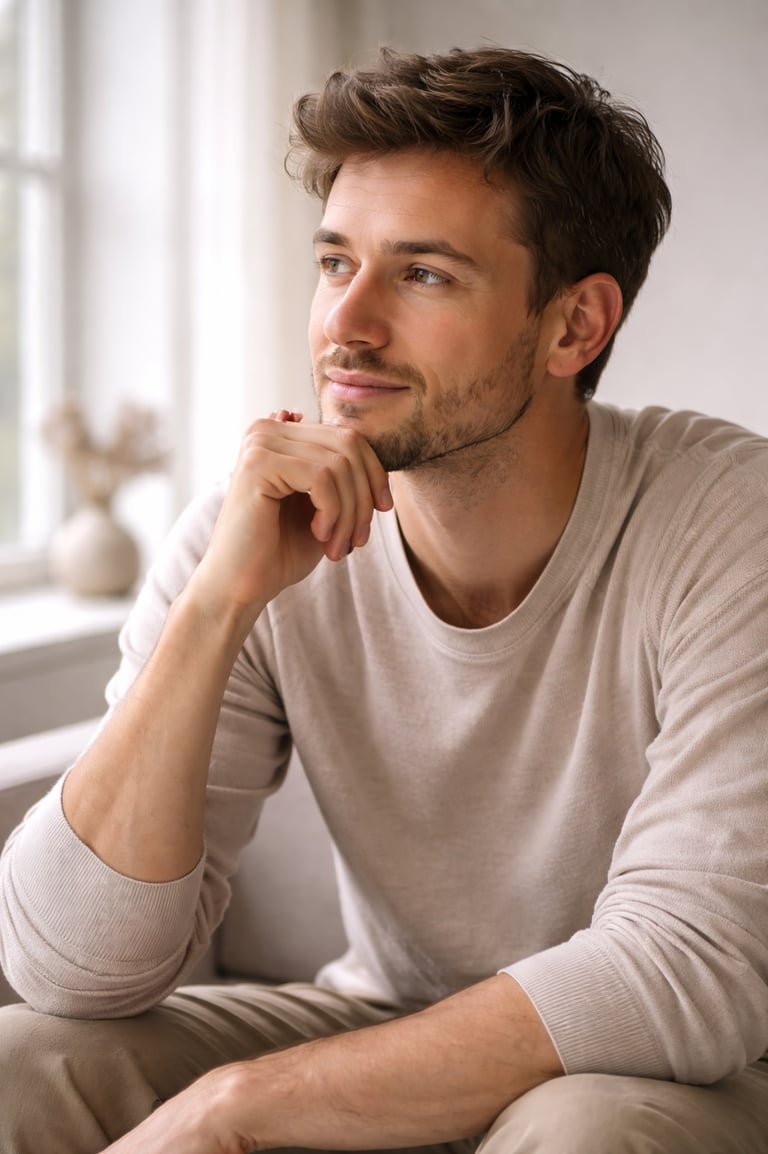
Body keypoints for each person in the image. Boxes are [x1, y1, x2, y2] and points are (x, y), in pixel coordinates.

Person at [1, 44, 768, 1154]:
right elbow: (71, 967)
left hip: (697, 1072)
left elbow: (689, 966)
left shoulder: (728, 521)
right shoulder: (258, 524)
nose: (344, 325)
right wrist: (217, 606)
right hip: (385, 1013)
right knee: (23, 1062)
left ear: (574, 326)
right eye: (333, 262)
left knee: (585, 1128)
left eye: (423, 274)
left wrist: (240, 1105)